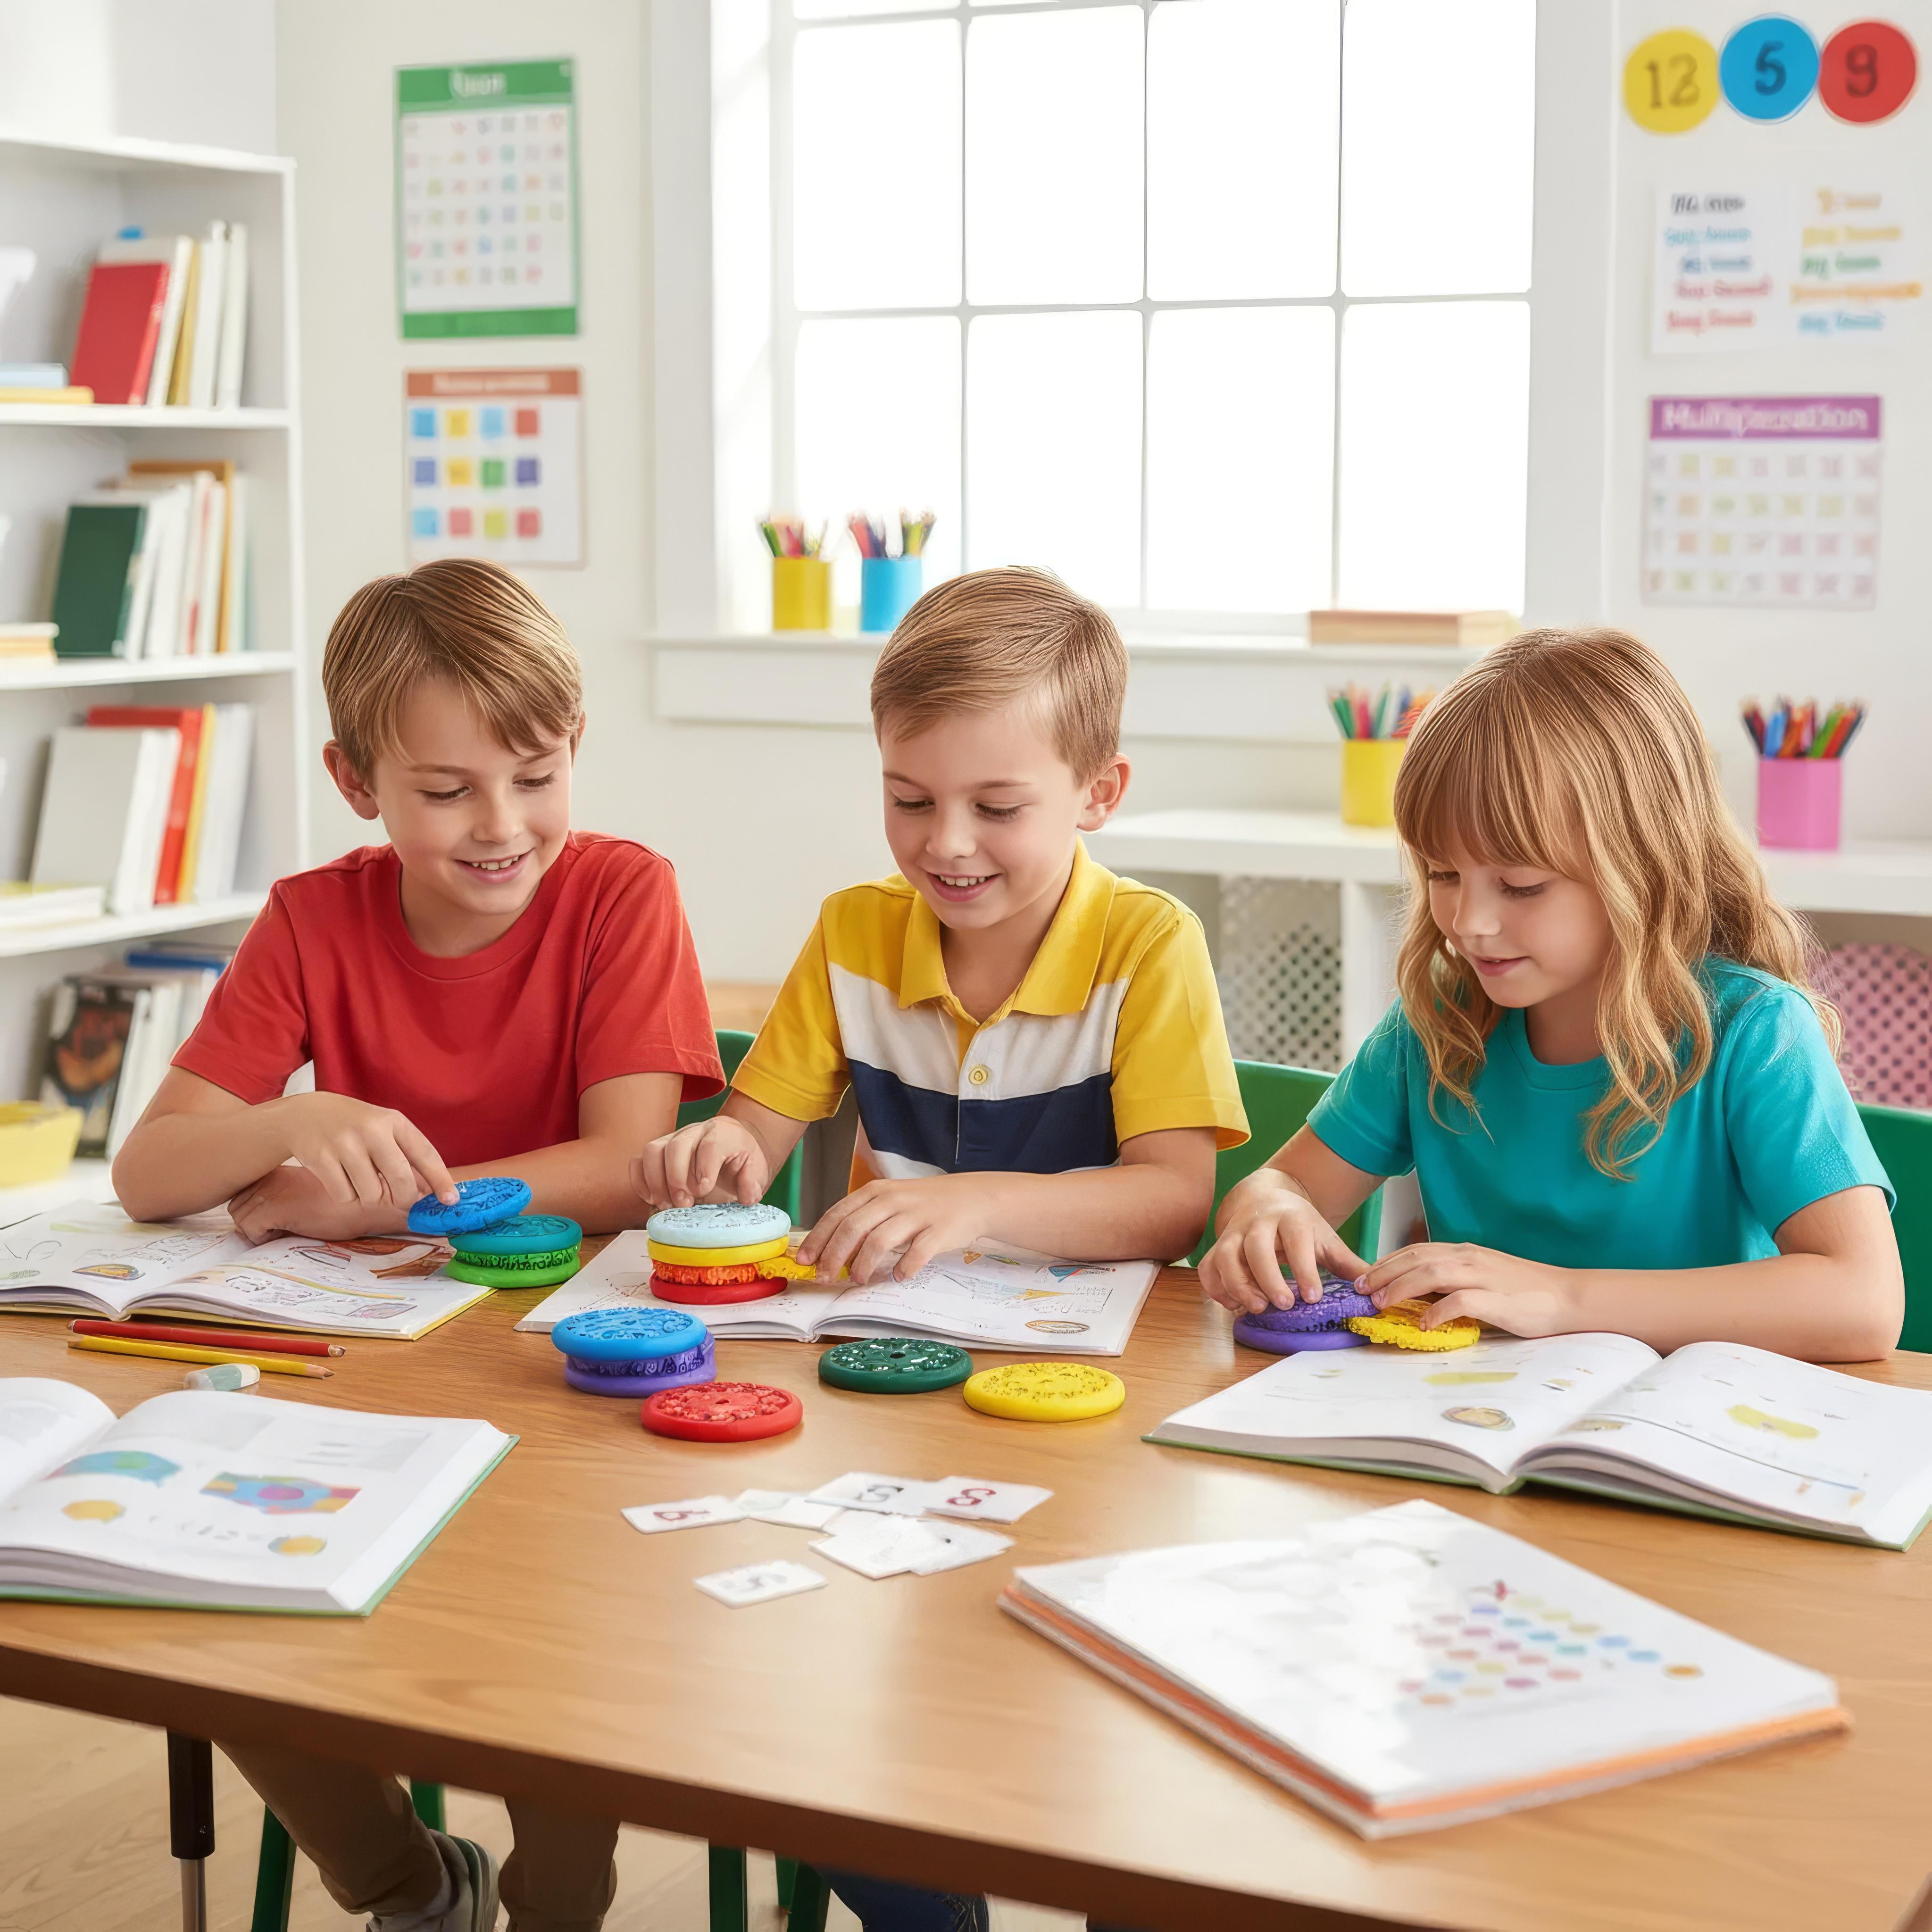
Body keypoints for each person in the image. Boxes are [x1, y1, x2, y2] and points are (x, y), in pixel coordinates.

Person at [114, 558, 724, 1932]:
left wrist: (370, 1202)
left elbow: (624, 1169)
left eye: (536, 776)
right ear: (356, 781)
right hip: (361, 1373)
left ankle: (556, 1907)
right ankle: (410, 1886)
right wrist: (296, 1115)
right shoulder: (311, 918)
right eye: (447, 790)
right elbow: (150, 1172)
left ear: (574, 751)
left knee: (558, 1640)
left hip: (559, 1377)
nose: (502, 825)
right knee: (207, 1596)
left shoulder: (622, 893)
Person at [636, 565, 1247, 1932]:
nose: (947, 843)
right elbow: (759, 1126)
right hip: (885, 1394)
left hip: (1095, 1419)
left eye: (996, 806)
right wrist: (719, 1153)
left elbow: (1170, 1203)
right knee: (823, 1702)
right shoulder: (856, 933)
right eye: (909, 799)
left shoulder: (1148, 944)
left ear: (1099, 791)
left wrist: (974, 1202)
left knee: (1113, 1736)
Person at [1199, 626, 1902, 1364]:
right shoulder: (1438, 1026)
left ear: (1643, 864)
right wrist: (1267, 1207)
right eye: (1443, 874)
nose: (1469, 923)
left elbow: (1864, 1301)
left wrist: (1562, 1299)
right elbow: (1286, 1182)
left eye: (1522, 885)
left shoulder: (1756, 1032)